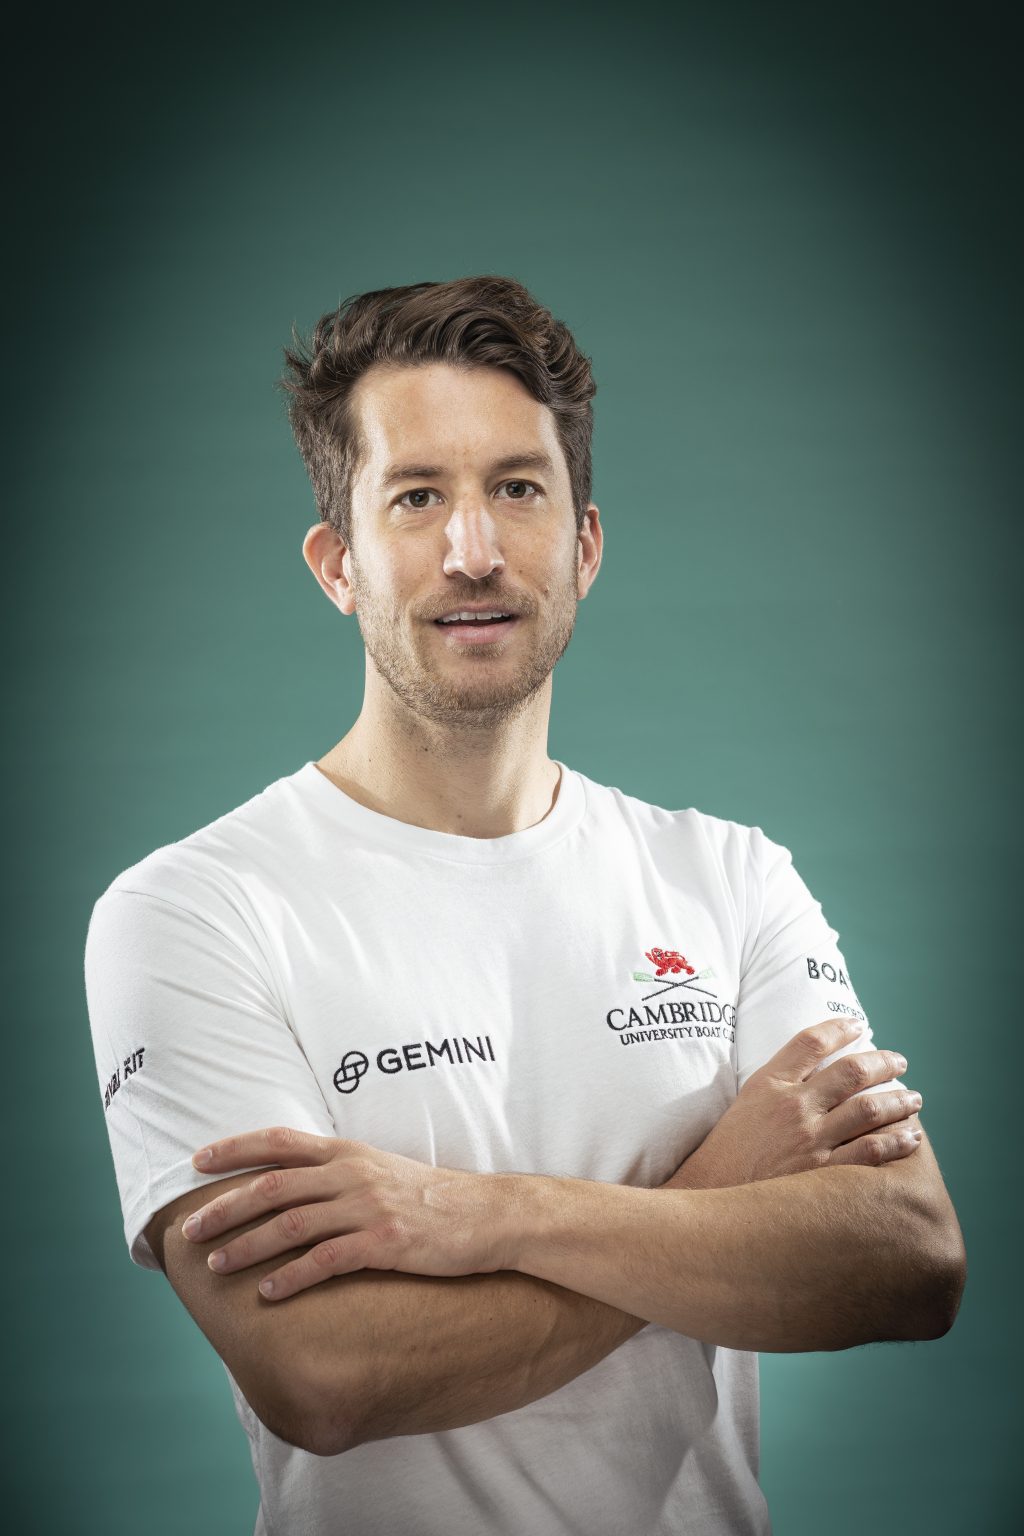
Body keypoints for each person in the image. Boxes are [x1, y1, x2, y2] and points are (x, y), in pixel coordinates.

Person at [83, 274, 966, 1536]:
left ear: (584, 544)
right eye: (415, 497)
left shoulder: (729, 877)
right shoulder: (192, 912)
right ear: (337, 564)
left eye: (516, 488)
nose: (474, 551)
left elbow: (910, 1254)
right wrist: (722, 1188)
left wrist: (481, 1214)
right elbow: (323, 1376)